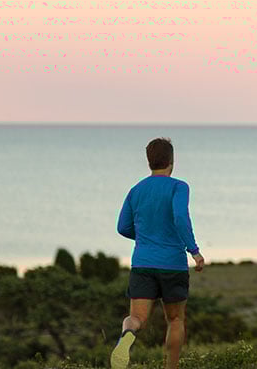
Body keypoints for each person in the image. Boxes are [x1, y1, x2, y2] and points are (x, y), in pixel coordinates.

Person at [111, 137, 205, 369]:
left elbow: (123, 227)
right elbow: (180, 217)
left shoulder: (136, 190)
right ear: (172, 161)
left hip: (143, 263)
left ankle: (127, 333)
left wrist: (146, 237)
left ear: (149, 162)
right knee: (175, 319)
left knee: (137, 318)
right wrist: (194, 251)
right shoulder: (178, 187)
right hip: (172, 264)